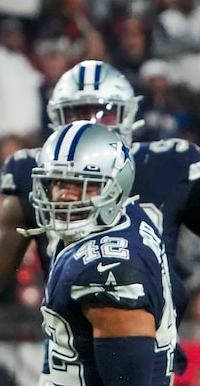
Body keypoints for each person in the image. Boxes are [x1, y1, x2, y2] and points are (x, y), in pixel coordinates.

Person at [0, 60, 200, 374]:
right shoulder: (38, 174)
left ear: (128, 114)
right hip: (68, 348)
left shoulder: (170, 165)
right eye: (76, 113)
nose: (90, 123)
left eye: (102, 111)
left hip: (144, 338)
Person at [30, 122, 175, 385]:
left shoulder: (107, 267)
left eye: (84, 185)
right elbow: (179, 292)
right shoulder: (129, 217)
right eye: (57, 182)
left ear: (116, 187)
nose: (65, 196)